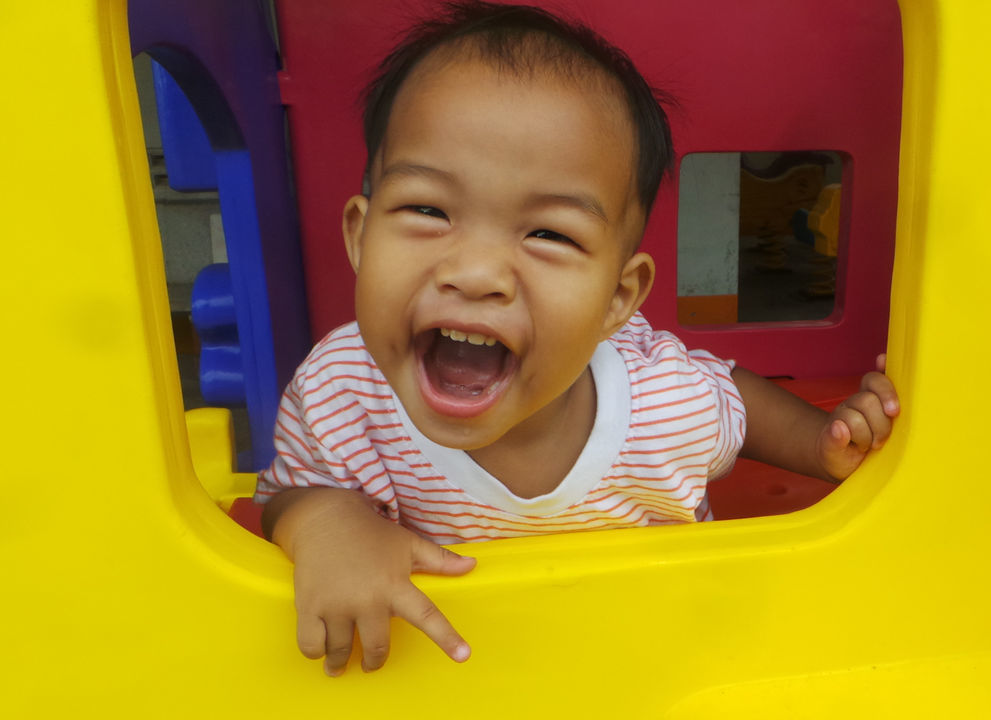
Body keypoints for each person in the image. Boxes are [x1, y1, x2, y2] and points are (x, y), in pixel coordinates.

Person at [255, 0, 900, 677]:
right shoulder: (342, 391)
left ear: (617, 299)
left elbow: (734, 406)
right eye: (427, 210)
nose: (475, 273)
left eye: (548, 234)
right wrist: (327, 523)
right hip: (460, 678)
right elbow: (287, 494)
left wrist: (822, 446)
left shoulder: (660, 404)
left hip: (657, 665)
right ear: (360, 233)